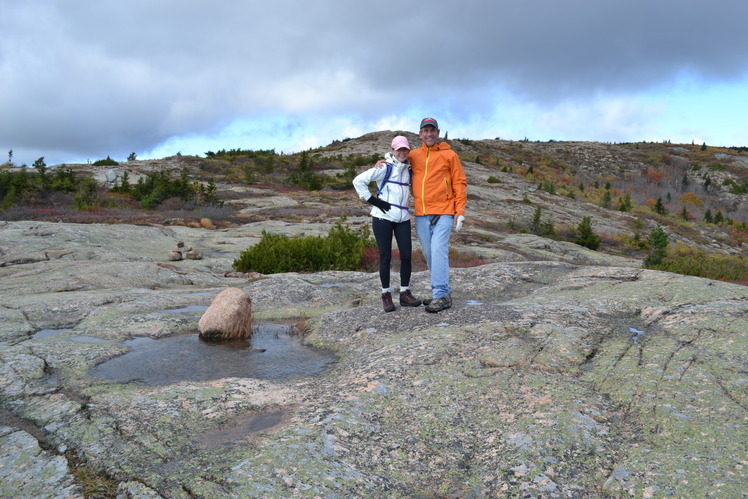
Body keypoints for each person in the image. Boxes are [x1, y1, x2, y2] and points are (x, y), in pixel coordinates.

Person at [353, 135, 422, 312]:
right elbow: (358, 180)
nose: (402, 152)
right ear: (392, 150)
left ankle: (405, 293)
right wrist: (373, 200)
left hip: (403, 218)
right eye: (399, 149)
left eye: (405, 149)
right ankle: (386, 294)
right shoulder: (384, 167)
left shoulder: (410, 169)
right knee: (386, 257)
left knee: (406, 256)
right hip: (382, 217)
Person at [408, 117, 467, 313]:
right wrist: (381, 161)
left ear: (438, 132)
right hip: (421, 214)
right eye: (425, 131)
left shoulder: (450, 155)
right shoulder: (413, 155)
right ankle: (443, 292)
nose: (429, 134)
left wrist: (460, 211)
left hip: (444, 212)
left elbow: (459, 182)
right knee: (429, 254)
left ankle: (440, 294)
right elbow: (396, 161)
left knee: (438, 250)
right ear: (420, 134)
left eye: (432, 130)